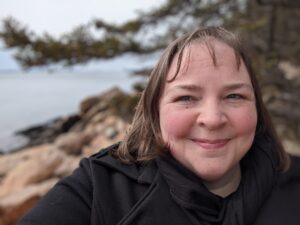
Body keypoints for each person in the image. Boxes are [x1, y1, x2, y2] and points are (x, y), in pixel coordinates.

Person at [18, 27, 300, 225]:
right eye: (186, 97)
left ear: (257, 108)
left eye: (234, 96)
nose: (212, 119)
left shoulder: (293, 183)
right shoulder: (99, 188)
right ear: (155, 112)